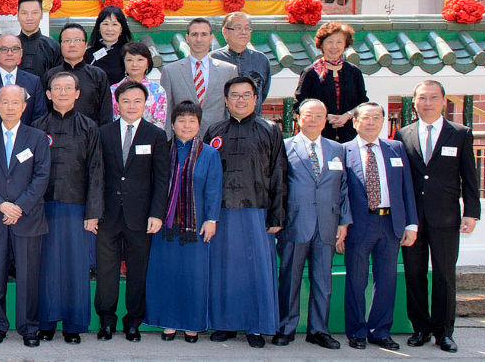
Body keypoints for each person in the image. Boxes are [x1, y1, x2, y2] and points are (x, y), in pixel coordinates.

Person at [203, 76, 287, 348]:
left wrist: (276, 216)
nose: (240, 100)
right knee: (223, 270)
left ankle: (256, 327)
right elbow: (203, 176)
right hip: (221, 212)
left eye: (246, 95)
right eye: (234, 95)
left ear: (256, 98)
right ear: (225, 101)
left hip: (256, 211)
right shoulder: (214, 131)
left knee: (255, 271)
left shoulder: (270, 129)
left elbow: (279, 174)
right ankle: (225, 324)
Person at [400, 79, 480, 353]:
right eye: (422, 98)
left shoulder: (459, 133)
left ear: (444, 101)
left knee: (445, 275)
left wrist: (471, 212)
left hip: (446, 217)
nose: (428, 103)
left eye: (434, 98)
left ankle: (444, 331)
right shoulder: (403, 134)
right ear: (414, 102)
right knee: (414, 273)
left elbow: (469, 175)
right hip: (413, 219)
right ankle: (420, 328)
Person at [0, 83, 51, 346]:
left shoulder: (38, 138)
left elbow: (41, 176)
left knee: (28, 278)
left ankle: (29, 328)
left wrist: (19, 207)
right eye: (4, 102)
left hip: (27, 218)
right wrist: (1, 205)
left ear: (24, 106)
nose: (9, 107)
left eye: (15, 103)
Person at [95, 80, 170, 342]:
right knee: (107, 271)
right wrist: (93, 211)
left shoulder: (156, 135)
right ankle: (106, 321)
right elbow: (96, 175)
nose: (131, 105)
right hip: (108, 214)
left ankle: (134, 321)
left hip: (141, 216)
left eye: (137, 101)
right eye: (126, 100)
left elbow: (162, 179)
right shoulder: (103, 132)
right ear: (117, 103)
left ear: (145, 104)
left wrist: (157, 213)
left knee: (138, 270)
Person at [33, 71, 104, 342]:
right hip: (44, 207)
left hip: (77, 208)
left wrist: (93, 212)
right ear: (49, 94)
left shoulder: (89, 127)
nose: (62, 92)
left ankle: (74, 325)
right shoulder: (38, 126)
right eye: (57, 88)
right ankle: (47, 321)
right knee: (47, 267)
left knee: (76, 267)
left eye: (68, 88)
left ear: (77, 93)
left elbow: (96, 171)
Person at [341, 102, 417, 350]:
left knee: (386, 280)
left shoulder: (396, 149)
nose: (371, 122)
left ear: (383, 121)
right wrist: (340, 226)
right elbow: (339, 193)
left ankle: (380, 330)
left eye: (376, 117)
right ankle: (356, 331)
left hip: (390, 223)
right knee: (356, 280)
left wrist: (411, 224)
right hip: (359, 224)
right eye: (365, 118)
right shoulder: (343, 151)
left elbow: (407, 189)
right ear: (355, 122)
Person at [274, 98, 348, 349]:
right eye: (308, 115)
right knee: (290, 279)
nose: (314, 120)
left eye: (319, 115)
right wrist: (277, 220)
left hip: (328, 223)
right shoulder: (284, 147)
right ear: (298, 118)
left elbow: (344, 188)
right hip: (294, 223)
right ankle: (285, 327)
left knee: (322, 281)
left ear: (326, 119)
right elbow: (277, 187)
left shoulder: (337, 149)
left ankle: (319, 330)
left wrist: (344, 222)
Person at [146, 100, 222, 342]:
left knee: (193, 276)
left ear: (199, 124)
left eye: (192, 120)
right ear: (172, 123)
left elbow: (213, 189)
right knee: (166, 274)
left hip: (195, 225)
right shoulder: (161, 150)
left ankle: (192, 324)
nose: (186, 125)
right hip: (165, 225)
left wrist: (211, 219)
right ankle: (168, 322)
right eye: (181, 120)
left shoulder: (209, 154)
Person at [295, 21, 367, 143]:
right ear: (321, 45)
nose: (334, 46)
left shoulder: (354, 72)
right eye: (329, 41)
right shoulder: (311, 72)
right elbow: (299, 103)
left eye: (339, 42)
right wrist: (325, 116)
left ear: (345, 45)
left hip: (350, 136)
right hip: (318, 135)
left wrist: (347, 115)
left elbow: (363, 103)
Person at [162, 18, 237, 135]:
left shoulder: (228, 70)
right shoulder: (170, 71)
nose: (199, 39)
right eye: (194, 34)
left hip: (217, 138)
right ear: (187, 38)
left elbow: (231, 110)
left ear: (211, 38)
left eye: (204, 34)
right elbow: (166, 111)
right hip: (182, 139)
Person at [45, 23, 113, 125]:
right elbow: (44, 110)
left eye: (77, 40)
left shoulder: (98, 75)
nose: (72, 45)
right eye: (67, 40)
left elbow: (105, 112)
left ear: (86, 45)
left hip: (90, 135)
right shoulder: (51, 75)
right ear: (60, 45)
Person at [212, 12, 270, 116]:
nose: (243, 32)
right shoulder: (213, 59)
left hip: (253, 125)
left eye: (247, 28)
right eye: (238, 28)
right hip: (222, 123)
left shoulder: (261, 60)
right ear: (225, 32)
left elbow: (263, 93)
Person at [111, 41, 167, 127]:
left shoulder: (158, 91)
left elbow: (160, 122)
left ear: (147, 63)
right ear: (124, 62)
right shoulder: (112, 90)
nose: (134, 64)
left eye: (140, 60)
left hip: (149, 138)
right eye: (129, 60)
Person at [15, 0, 63, 81]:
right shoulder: (10, 45)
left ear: (41, 14)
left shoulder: (53, 46)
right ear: (18, 15)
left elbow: (58, 79)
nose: (29, 18)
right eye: (24, 13)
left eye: (34, 13)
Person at [89, 6, 132, 83]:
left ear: (121, 28)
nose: (109, 29)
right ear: (99, 27)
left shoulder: (129, 53)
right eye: (106, 24)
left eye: (114, 24)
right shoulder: (87, 53)